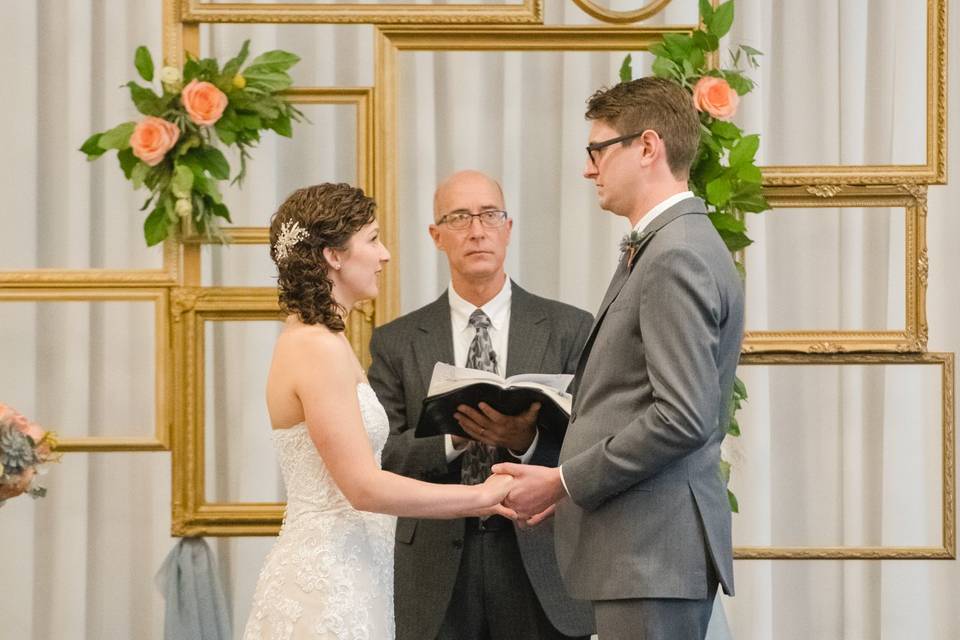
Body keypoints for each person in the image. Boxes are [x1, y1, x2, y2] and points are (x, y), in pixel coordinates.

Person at [493, 77, 746, 640]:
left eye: (598, 150)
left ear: (648, 147)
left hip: (650, 551)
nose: (589, 169)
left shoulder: (675, 254)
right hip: (642, 551)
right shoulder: (668, 244)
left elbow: (683, 417)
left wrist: (563, 480)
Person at [242, 183, 517, 640]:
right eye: (372, 239)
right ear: (333, 255)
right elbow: (363, 487)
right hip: (326, 582)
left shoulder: (327, 342)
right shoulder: (314, 348)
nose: (385, 254)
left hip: (357, 570)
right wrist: (480, 497)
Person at [367, 170, 595, 640]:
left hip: (537, 552)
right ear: (436, 235)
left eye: (490, 215)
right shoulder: (398, 341)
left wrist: (525, 442)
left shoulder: (568, 327)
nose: (477, 230)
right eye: (459, 217)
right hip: (436, 559)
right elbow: (380, 455)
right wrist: (452, 437)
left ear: (508, 228)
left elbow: (593, 442)